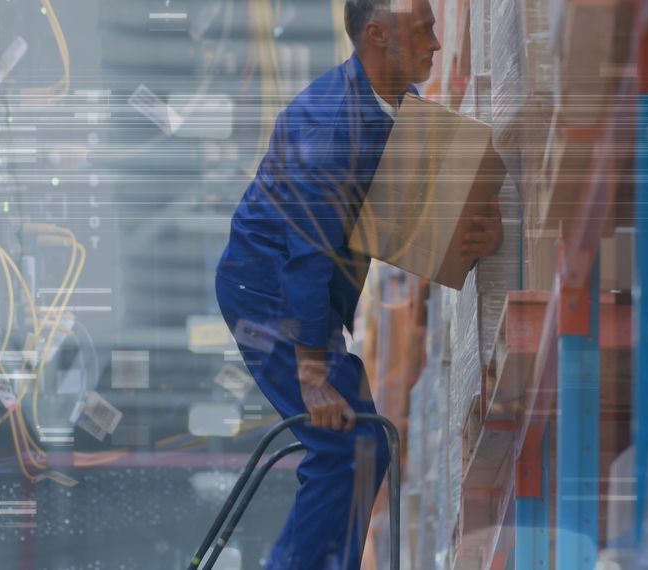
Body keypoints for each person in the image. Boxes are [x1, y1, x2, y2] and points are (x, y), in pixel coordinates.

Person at [215, 0, 503, 567]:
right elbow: (307, 258)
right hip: (268, 290)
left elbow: (422, 218)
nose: (437, 46)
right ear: (378, 36)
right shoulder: (330, 130)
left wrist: (484, 233)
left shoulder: (399, 105)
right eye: (424, 32)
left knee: (365, 443)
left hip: (304, 290)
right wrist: (313, 374)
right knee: (344, 442)